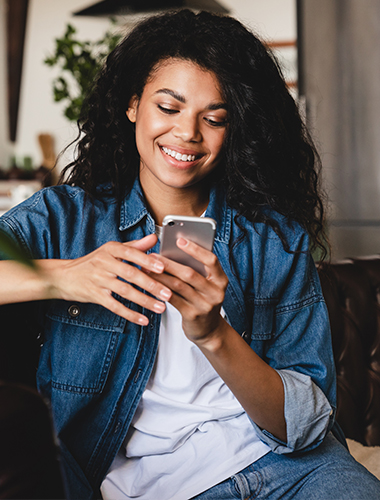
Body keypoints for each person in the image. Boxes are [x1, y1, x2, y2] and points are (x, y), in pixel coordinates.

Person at [0, 9, 379, 500]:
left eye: (214, 118)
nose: (188, 133)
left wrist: (213, 334)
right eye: (169, 106)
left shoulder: (271, 240)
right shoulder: (64, 220)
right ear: (133, 105)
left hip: (286, 469)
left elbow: (302, 427)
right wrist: (68, 276)